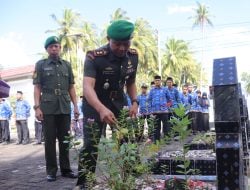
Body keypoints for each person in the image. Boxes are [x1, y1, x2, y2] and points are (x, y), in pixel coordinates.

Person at [76, 20, 138, 189]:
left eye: (126, 44)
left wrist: (134, 102)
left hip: (119, 102)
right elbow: (87, 87)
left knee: (126, 140)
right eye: (117, 44)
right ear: (108, 39)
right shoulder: (94, 57)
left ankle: (128, 179)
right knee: (91, 144)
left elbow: (130, 82)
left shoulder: (133, 56)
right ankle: (85, 183)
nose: (122, 48)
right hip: (94, 103)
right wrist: (101, 108)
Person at [33, 36, 79, 182]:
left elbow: (71, 86)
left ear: (60, 48)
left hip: (64, 106)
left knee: (65, 139)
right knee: (50, 140)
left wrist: (76, 106)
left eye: (57, 46)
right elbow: (37, 87)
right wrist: (37, 107)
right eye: (52, 46)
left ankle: (66, 169)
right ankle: (51, 171)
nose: (55, 48)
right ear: (47, 49)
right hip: (48, 107)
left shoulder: (66, 65)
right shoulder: (41, 64)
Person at [147, 75, 171, 142]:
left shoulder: (165, 89)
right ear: (154, 81)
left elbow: (170, 99)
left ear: (161, 81)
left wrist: (167, 107)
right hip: (155, 112)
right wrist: (150, 110)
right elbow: (149, 100)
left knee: (166, 126)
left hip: (164, 112)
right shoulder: (151, 91)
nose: (157, 82)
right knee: (156, 127)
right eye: (156, 80)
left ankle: (167, 140)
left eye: (158, 80)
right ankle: (157, 141)